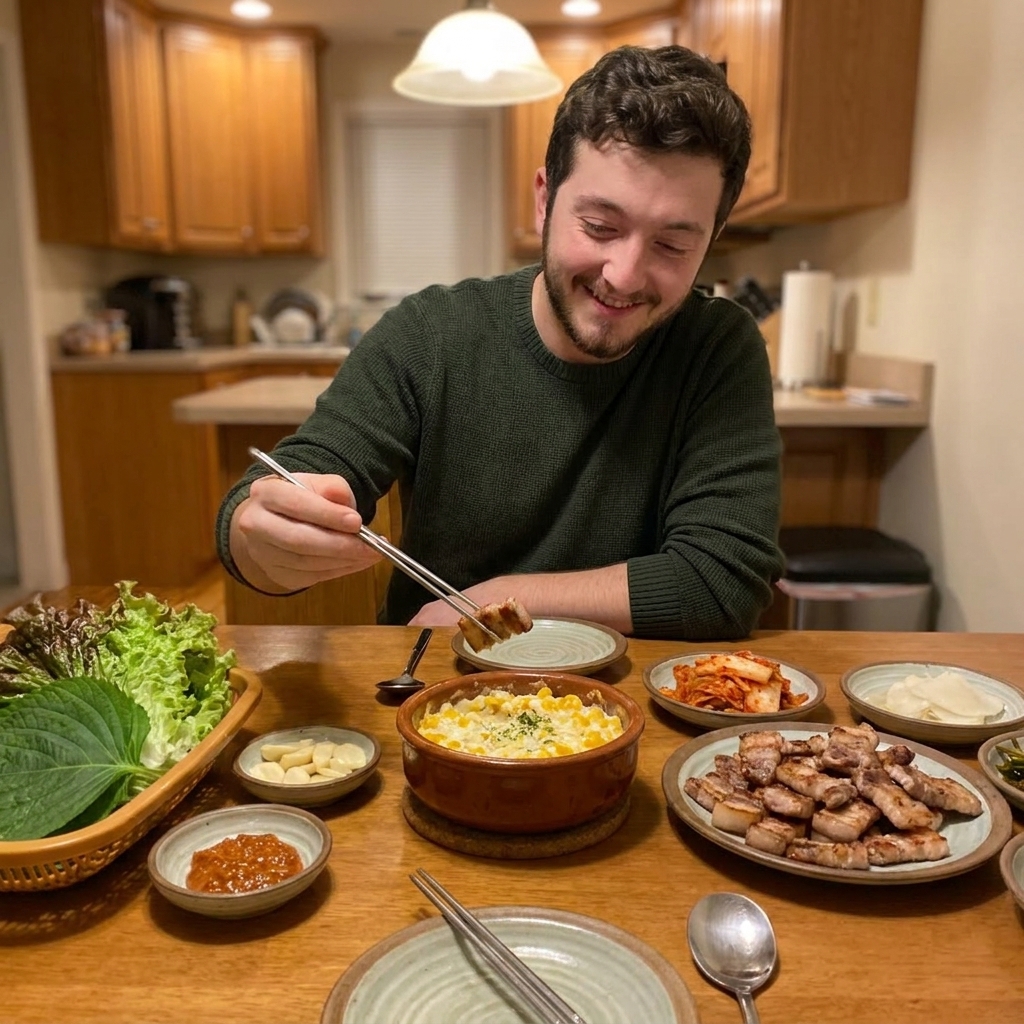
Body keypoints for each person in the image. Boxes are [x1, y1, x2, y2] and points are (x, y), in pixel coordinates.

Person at [217, 44, 783, 640]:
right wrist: (266, 538)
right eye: (599, 227)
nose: (624, 274)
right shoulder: (431, 334)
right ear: (544, 200)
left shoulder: (717, 346)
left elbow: (723, 579)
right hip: (435, 695)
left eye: (672, 244)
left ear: (712, 238)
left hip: (627, 698)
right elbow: (286, 490)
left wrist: (492, 602)